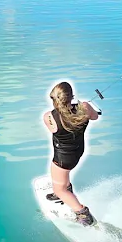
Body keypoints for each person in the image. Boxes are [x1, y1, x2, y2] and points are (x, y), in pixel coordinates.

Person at [42, 81, 100, 226]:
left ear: (54, 98)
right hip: (78, 152)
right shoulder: (85, 107)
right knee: (61, 177)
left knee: (59, 187)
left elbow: (54, 129)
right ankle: (65, 190)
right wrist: (84, 106)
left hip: (62, 159)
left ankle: (82, 214)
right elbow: (95, 117)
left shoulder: (49, 117)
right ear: (72, 96)